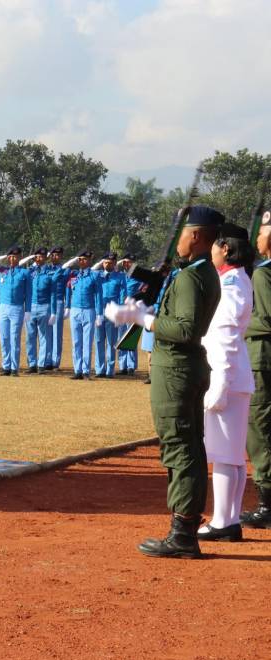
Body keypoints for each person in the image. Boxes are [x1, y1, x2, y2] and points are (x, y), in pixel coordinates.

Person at [106, 205, 223, 558]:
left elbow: (185, 330)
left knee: (180, 448)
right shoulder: (200, 272)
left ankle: (183, 533)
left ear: (196, 236)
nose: (179, 242)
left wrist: (145, 319)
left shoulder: (190, 277)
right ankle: (184, 526)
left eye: (183, 234)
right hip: (183, 368)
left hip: (176, 371)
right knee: (188, 446)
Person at [196, 223, 254, 541]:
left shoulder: (230, 284)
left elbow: (227, 336)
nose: (212, 251)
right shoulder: (236, 279)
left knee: (223, 454)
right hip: (233, 375)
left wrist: (220, 381)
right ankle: (229, 519)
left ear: (226, 249)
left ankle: (222, 521)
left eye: (215, 245)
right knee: (232, 456)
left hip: (226, 375)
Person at [242, 212, 271, 529]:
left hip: (263, 358)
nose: (258, 238)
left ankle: (267, 505)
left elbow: (266, 318)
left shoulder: (263, 274)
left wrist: (236, 325)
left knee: (260, 429)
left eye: (262, 233)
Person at [0, 246, 29, 376]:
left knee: (14, 338)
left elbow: (29, 294)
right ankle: (6, 366)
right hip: (3, 307)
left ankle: (14, 367)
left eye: (15, 256)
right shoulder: (2, 273)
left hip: (17, 308)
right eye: (10, 256)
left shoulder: (24, 273)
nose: (12, 259)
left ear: (20, 257)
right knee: (4, 338)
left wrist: (28, 311)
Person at [65, 250, 101, 380]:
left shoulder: (94, 275)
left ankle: (86, 370)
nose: (82, 261)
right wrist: (67, 307)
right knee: (76, 342)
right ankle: (77, 370)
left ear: (90, 260)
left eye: (85, 259)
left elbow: (98, 295)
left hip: (89, 310)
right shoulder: (73, 275)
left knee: (87, 342)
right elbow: (63, 277)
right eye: (80, 259)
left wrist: (99, 314)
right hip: (75, 310)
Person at [24, 247, 56, 373]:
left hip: (44, 306)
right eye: (37, 256)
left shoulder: (50, 272)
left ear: (45, 258)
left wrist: (53, 312)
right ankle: (32, 364)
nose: (39, 258)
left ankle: (41, 364)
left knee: (44, 337)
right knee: (30, 337)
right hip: (30, 306)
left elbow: (53, 293)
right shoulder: (29, 271)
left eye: (42, 256)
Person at [94, 252, 126, 378]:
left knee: (111, 341)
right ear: (102, 263)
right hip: (99, 311)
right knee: (99, 340)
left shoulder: (120, 277)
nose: (108, 264)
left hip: (112, 311)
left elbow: (123, 295)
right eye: (106, 262)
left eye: (111, 262)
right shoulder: (97, 275)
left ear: (115, 263)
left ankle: (110, 370)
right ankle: (100, 369)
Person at [117, 254, 141, 375]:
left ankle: (131, 366)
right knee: (121, 337)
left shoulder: (139, 277)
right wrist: (119, 262)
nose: (127, 264)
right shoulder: (120, 275)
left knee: (130, 337)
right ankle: (123, 366)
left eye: (129, 262)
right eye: (125, 262)